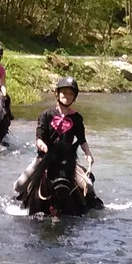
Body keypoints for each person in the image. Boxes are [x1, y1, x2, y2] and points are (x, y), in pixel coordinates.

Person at [35, 76, 94, 214]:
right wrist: (43, 146)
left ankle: (90, 207)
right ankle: (21, 205)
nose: (67, 96)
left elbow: (82, 139)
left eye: (70, 94)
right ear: (57, 94)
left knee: (88, 184)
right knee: (21, 183)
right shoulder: (46, 115)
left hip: (67, 161)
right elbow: (39, 137)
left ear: (74, 97)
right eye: (64, 93)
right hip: (46, 159)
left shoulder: (77, 118)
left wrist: (88, 154)